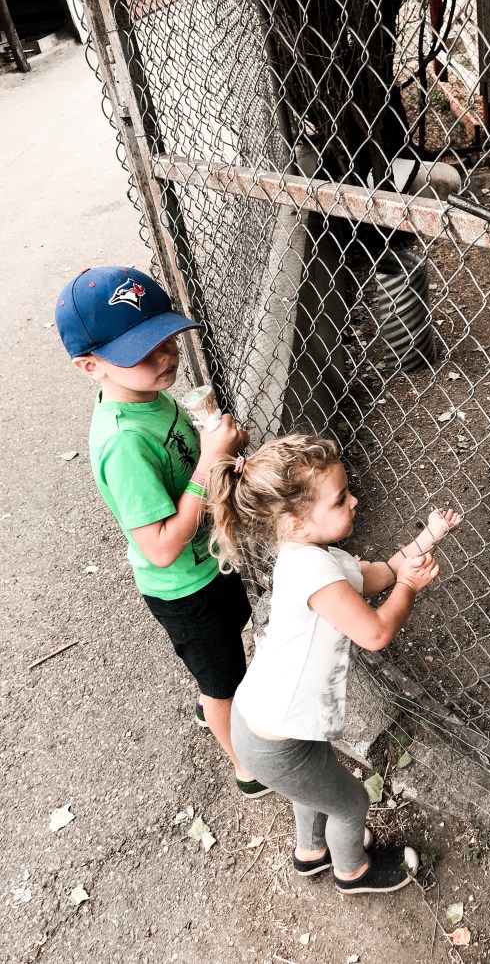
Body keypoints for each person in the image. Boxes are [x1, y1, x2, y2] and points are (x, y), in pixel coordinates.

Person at [207, 433, 462, 893]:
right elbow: (375, 632)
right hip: (274, 742)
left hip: (270, 722)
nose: (355, 500)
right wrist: (409, 588)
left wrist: (430, 535)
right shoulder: (313, 571)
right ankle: (352, 871)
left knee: (312, 785)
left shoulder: (310, 553)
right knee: (349, 803)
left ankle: (311, 853)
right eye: (341, 499)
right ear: (297, 521)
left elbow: (381, 572)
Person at [54, 265, 268, 798]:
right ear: (90, 366)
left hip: (208, 564)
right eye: (141, 351)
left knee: (228, 645)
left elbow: (186, 465)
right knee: (224, 684)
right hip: (184, 588)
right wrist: (209, 465)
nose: (165, 356)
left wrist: (220, 455)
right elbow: (161, 547)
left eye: (166, 338)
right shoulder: (123, 443)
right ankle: (246, 766)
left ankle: (210, 693)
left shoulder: (149, 396)